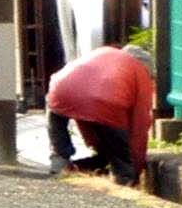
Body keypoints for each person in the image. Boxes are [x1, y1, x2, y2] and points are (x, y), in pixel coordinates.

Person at [46, 44, 156, 186]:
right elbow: (140, 124)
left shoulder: (105, 52)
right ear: (147, 69)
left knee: (57, 117)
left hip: (58, 88)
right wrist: (136, 164)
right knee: (123, 160)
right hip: (105, 100)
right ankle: (124, 182)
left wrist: (96, 145)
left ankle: (59, 161)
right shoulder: (140, 71)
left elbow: (86, 116)